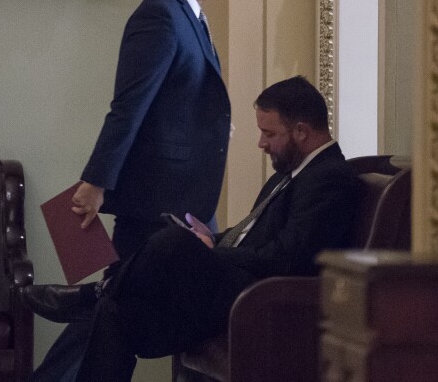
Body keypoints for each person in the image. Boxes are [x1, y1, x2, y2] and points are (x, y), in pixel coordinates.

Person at [27, 76, 361, 382]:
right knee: (116, 312)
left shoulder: (328, 178)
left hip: (261, 299)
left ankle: (93, 292)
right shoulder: (293, 171)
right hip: (236, 288)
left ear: (302, 131)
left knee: (173, 241)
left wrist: (215, 252)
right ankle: (100, 296)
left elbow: (288, 256)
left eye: (270, 133)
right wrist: (212, 239)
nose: (261, 143)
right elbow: (256, 233)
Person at [28, 0, 230, 381]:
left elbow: (174, 102)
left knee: (119, 306)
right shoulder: (158, 15)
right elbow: (128, 107)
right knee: (118, 307)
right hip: (159, 202)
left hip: (185, 195)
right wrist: (96, 183)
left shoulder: (190, 17)